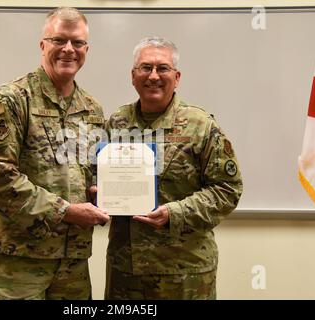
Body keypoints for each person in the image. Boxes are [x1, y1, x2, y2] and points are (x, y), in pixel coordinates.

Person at [0, 7, 109, 300]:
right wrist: (66, 211)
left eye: (77, 43)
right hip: (19, 256)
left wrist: (101, 192)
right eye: (59, 40)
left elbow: (89, 170)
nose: (69, 50)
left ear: (86, 49)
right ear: (43, 45)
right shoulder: (10, 100)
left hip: (73, 260)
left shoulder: (92, 108)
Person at [104, 36, 243, 300]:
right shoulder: (116, 123)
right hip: (125, 270)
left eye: (162, 68)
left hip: (184, 273)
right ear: (133, 76)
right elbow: (98, 175)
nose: (153, 76)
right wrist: (99, 193)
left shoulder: (201, 125)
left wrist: (175, 213)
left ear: (176, 77)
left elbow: (228, 190)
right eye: (145, 68)